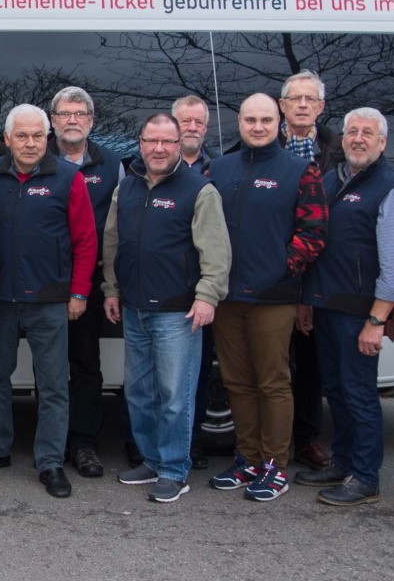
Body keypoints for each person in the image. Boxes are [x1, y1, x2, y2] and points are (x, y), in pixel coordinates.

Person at [0, 104, 96, 498]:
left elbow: (86, 241)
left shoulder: (68, 178)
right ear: (7, 139)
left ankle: (51, 462)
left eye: (37, 135)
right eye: (21, 136)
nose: (30, 143)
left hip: (49, 300)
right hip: (1, 299)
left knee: (54, 385)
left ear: (48, 138)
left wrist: (78, 292)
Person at [103, 113, 230, 503]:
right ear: (139, 143)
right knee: (140, 392)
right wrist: (111, 288)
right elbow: (113, 241)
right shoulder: (125, 189)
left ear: (180, 145)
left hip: (178, 311)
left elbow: (216, 251)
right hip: (134, 306)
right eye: (151, 141)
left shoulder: (199, 190)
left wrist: (208, 295)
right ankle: (152, 460)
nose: (159, 149)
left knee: (175, 394)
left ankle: (175, 470)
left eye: (167, 142)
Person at [207, 92, 327, 502]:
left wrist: (280, 270)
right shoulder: (219, 168)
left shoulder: (300, 170)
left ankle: (275, 465)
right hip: (225, 297)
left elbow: (313, 234)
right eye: (249, 120)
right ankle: (248, 458)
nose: (257, 127)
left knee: (272, 382)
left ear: (278, 123)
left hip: (273, 297)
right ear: (238, 123)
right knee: (236, 382)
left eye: (265, 120)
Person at [295, 108, 394, 506]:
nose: (358, 139)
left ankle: (366, 476)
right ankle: (342, 462)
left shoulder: (392, 188)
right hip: (326, 306)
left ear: (382, 142)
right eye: (352, 132)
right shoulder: (332, 180)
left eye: (368, 133)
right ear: (341, 139)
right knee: (337, 390)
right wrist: (307, 301)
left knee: (359, 393)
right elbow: (317, 247)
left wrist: (377, 320)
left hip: (360, 312)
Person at [46, 86, 122, 479]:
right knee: (48, 367)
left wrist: (109, 285)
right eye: (64, 113)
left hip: (88, 282)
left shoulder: (112, 165)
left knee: (85, 365)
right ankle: (50, 447)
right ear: (52, 120)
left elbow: (116, 229)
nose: (72, 119)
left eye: (80, 113)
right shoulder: (33, 155)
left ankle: (84, 443)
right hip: (40, 282)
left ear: (91, 121)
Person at [278, 71, 345, 472]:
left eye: (310, 99)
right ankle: (271, 442)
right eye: (294, 99)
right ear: (282, 105)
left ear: (321, 107)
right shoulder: (259, 145)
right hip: (273, 272)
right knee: (271, 363)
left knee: (311, 363)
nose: (302, 105)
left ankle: (306, 438)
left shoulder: (341, 151)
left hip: (320, 270)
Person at [171, 95, 217, 470]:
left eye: (199, 122)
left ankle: (194, 440)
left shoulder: (219, 170)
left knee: (198, 374)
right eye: (185, 121)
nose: (192, 128)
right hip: (166, 289)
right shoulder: (143, 170)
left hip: (205, 290)